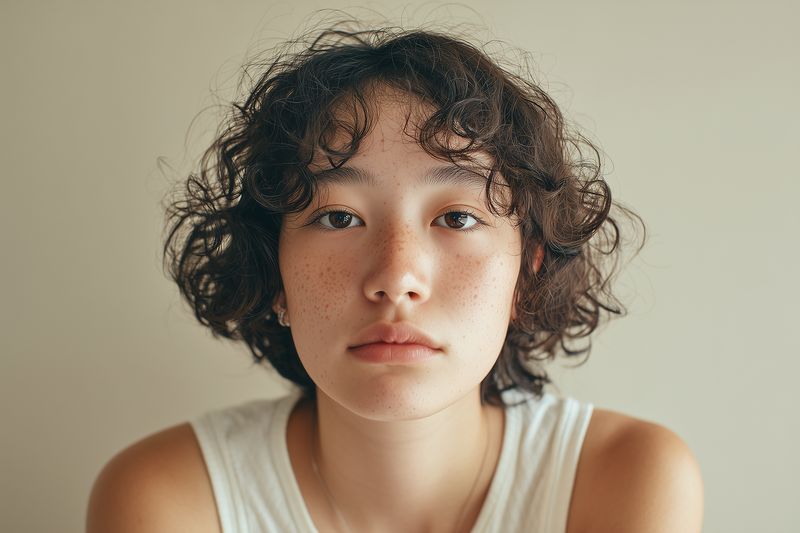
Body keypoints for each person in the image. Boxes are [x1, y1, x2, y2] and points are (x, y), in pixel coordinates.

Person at [87, 21, 704, 533]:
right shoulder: (169, 501)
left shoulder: (624, 481)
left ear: (528, 270)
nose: (395, 278)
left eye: (457, 216)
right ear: (273, 270)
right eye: (337, 216)